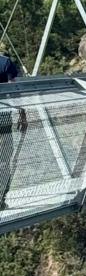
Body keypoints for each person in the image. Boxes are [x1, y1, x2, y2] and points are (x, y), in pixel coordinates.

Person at [0, 52, 27, 211]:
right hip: (3, 120)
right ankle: (1, 199)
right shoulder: (4, 63)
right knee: (4, 162)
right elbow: (14, 90)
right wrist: (22, 114)